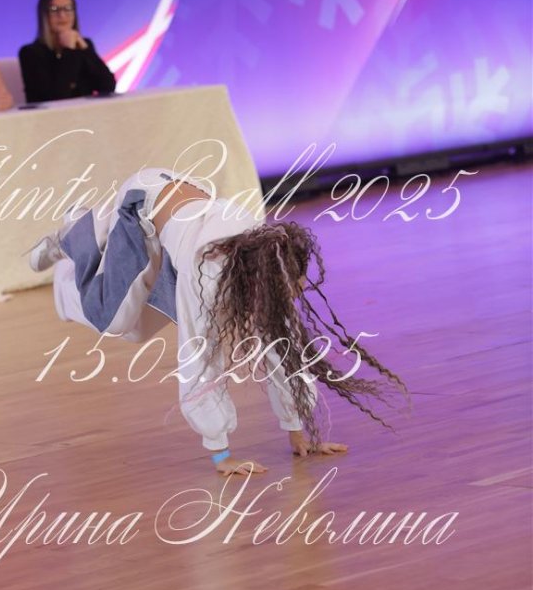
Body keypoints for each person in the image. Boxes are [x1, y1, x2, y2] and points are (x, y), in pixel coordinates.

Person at [29, 169, 406, 475]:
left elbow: (284, 350)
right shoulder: (207, 275)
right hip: (143, 207)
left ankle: (85, 245)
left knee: (138, 331)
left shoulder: (268, 259)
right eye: (293, 287)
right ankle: (77, 236)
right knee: (114, 320)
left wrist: (300, 432)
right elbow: (200, 357)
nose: (297, 293)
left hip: (185, 217)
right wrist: (221, 454)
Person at [18, 0, 116, 103]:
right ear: (44, 15)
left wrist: (85, 50)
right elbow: (57, 96)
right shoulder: (30, 53)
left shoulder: (84, 45)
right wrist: (69, 50)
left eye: (68, 8)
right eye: (54, 9)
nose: (62, 15)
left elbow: (108, 87)